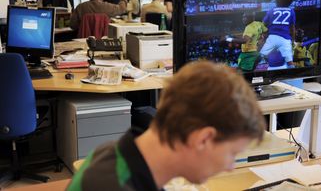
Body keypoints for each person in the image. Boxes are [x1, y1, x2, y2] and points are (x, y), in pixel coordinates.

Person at [66, 61, 266, 191]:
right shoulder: (113, 186)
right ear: (203, 138)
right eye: (232, 153)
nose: (231, 167)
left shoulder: (114, 152)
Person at [259, 0, 297, 68]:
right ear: (289, 1)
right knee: (290, 62)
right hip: (285, 39)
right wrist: (293, 41)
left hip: (273, 37)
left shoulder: (271, 11)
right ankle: (294, 78)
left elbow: (263, 25)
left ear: (277, 0)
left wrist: (263, 36)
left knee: (260, 56)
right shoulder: (291, 11)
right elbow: (292, 29)